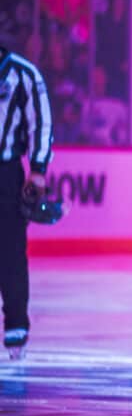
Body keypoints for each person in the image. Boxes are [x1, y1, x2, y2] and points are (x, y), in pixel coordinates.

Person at [0, 45, 53, 360]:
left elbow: (41, 123)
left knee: (10, 252)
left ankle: (16, 326)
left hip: (5, 173)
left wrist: (38, 169)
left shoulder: (23, 74)